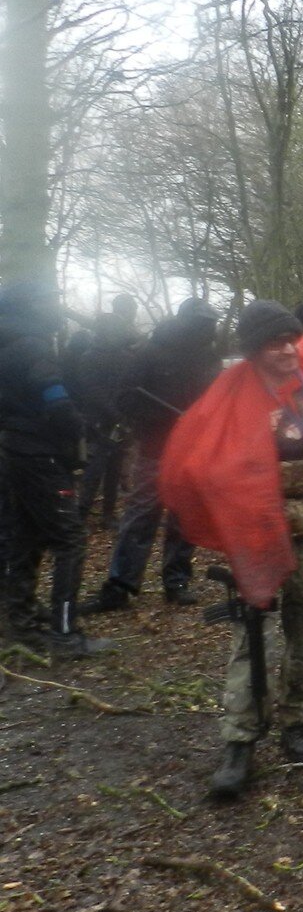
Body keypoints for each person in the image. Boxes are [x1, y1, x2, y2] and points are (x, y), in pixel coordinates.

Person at [160, 302, 303, 797]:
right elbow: (198, 460)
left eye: (292, 339)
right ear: (254, 349)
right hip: (257, 534)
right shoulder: (230, 396)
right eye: (275, 341)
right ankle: (240, 738)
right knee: (249, 638)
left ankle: (298, 723)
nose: (288, 349)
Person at [81, 296, 221, 611]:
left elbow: (218, 403)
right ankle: (120, 586)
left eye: (209, 324)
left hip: (194, 453)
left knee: (184, 518)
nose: (207, 330)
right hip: (156, 451)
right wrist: (168, 419)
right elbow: (126, 398)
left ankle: (177, 581)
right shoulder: (151, 353)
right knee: (142, 516)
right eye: (201, 324)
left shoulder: (210, 359)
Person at [0, 282, 113, 658]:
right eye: (51, 300)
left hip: (17, 450)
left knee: (26, 536)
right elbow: (55, 401)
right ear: (33, 304)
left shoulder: (10, 342)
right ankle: (64, 633)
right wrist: (79, 427)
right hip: (41, 455)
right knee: (70, 539)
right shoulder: (32, 347)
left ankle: (20, 621)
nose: (58, 308)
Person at [66, 294, 142, 527]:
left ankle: (108, 514)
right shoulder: (89, 357)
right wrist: (116, 414)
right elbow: (91, 390)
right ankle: (81, 512)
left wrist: (126, 416)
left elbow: (130, 388)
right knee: (94, 468)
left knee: (114, 467)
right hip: (97, 421)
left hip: (118, 420)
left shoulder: (126, 358)